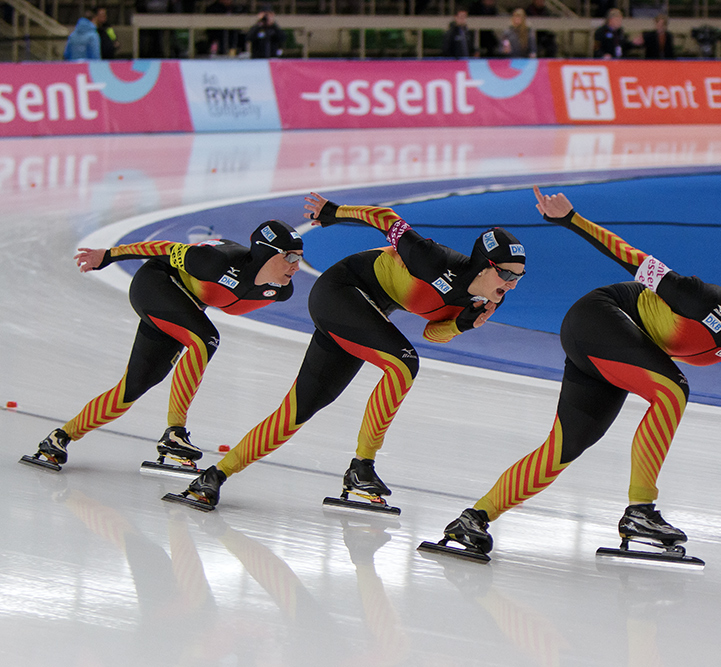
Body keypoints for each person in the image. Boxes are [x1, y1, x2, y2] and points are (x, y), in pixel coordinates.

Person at [430, 186, 721, 560]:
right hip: (600, 317)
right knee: (673, 389)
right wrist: (571, 219)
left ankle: (473, 519)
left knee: (563, 448)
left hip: (613, 352)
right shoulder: (701, 298)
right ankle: (641, 511)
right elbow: (634, 259)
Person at [172, 195, 527, 509]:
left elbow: (433, 333)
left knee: (299, 409)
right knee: (403, 362)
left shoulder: (479, 300)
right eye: (507, 275)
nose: (511, 286)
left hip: (365, 311)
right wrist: (333, 212)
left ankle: (213, 477)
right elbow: (387, 218)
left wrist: (464, 325)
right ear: (484, 265)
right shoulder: (435, 260)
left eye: (518, 279)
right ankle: (363, 466)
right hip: (341, 291)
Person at [24, 222, 303, 471]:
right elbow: (162, 248)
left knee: (134, 386)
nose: (296, 266)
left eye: (300, 258)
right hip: (156, 283)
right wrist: (107, 256)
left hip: (183, 305)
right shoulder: (215, 261)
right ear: (266, 253)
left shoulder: (279, 291)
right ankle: (175, 432)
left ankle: (60, 437)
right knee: (205, 339)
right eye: (289, 257)